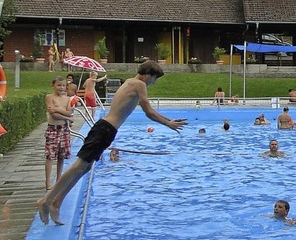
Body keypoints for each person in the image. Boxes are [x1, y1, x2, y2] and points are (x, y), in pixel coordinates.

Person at [37, 60, 187, 225]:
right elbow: (149, 112)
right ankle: (46, 200)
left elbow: (149, 112)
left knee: (84, 168)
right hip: (105, 130)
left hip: (106, 130)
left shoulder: (130, 82)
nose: (154, 82)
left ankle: (57, 203)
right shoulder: (139, 84)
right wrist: (168, 124)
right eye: (154, 78)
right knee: (78, 166)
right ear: (147, 75)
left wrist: (169, 120)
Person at [44, 76, 74, 190]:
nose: (61, 88)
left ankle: (58, 179)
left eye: (63, 85)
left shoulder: (67, 99)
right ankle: (47, 182)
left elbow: (69, 113)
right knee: (50, 156)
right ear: (53, 86)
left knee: (61, 156)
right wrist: (65, 115)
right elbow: (53, 115)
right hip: (53, 129)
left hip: (64, 129)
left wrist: (57, 109)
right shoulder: (50, 97)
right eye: (58, 85)